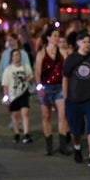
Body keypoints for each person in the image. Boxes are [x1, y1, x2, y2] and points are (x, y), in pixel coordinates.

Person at [62, 31, 90, 167]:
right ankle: (77, 147)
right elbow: (65, 78)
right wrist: (66, 98)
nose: (87, 44)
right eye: (84, 42)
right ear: (78, 43)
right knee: (75, 130)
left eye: (89, 42)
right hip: (74, 99)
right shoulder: (71, 58)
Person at [34, 25, 69, 156]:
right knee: (46, 115)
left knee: (62, 115)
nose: (56, 38)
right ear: (48, 38)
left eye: (57, 36)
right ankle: (49, 145)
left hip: (59, 86)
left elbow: (67, 69)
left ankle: (63, 145)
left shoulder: (63, 52)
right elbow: (37, 72)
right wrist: (39, 87)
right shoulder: (42, 52)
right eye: (54, 36)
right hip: (46, 87)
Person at [1, 49, 33, 143]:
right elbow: (5, 85)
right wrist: (6, 96)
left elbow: (30, 75)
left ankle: (26, 133)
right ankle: (16, 133)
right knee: (15, 115)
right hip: (13, 94)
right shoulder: (8, 70)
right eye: (14, 55)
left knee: (25, 113)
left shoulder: (25, 67)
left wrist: (28, 79)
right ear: (11, 57)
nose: (16, 57)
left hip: (23, 92)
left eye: (18, 55)